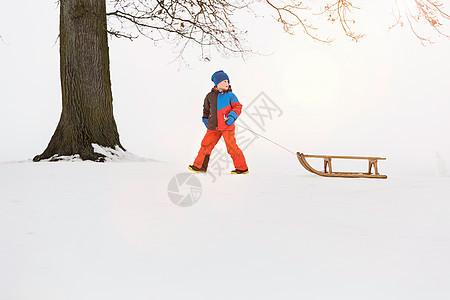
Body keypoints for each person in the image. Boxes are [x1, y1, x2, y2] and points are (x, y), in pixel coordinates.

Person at [188, 70, 249, 174]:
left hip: (227, 127)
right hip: (213, 128)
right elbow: (206, 111)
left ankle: (242, 168)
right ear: (217, 83)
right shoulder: (209, 96)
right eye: (224, 81)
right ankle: (200, 167)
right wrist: (206, 122)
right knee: (205, 146)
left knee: (232, 147)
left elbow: (237, 107)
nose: (227, 83)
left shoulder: (230, 95)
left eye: (227, 81)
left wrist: (231, 117)